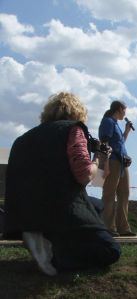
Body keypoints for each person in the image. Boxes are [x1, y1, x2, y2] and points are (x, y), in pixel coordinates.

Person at [4, 92, 121, 276]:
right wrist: (98, 159)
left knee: (96, 205)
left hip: (24, 213)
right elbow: (84, 176)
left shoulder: (22, 139)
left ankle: (41, 235)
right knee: (110, 250)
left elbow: (87, 180)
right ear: (77, 112)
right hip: (57, 207)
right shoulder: (74, 129)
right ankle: (56, 256)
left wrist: (98, 157)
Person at [99, 101, 136, 237]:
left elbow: (119, 143)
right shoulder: (107, 122)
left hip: (122, 163)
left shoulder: (116, 125)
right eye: (125, 110)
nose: (125, 113)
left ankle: (123, 228)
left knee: (124, 193)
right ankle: (108, 228)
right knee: (109, 194)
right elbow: (104, 144)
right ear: (120, 109)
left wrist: (126, 131)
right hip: (112, 162)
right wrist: (106, 165)